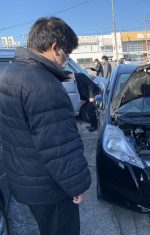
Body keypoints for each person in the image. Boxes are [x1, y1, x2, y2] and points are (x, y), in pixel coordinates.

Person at [0, 17, 91, 235]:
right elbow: (59, 147)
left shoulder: (9, 73)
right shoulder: (43, 84)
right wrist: (78, 185)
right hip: (51, 187)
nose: (66, 60)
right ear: (54, 48)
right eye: (67, 53)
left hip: (26, 181)